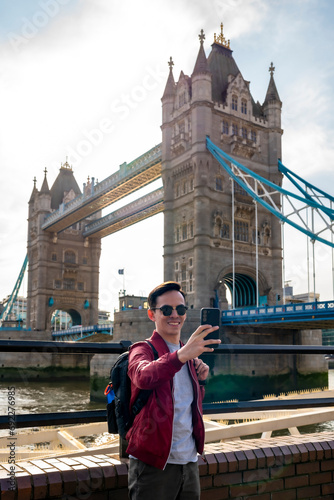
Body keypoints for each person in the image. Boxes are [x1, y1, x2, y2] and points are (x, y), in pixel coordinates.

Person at [126, 281, 221, 499]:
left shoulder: (187, 356)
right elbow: (143, 377)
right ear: (152, 315)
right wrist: (181, 355)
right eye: (166, 310)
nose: (174, 315)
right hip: (153, 463)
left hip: (188, 461)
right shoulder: (142, 349)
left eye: (181, 309)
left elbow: (184, 404)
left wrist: (201, 381)